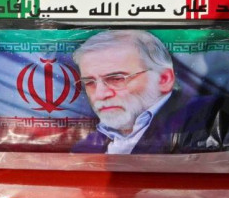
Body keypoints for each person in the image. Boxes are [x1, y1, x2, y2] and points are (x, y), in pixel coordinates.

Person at [71, 31, 220, 154]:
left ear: (164, 79)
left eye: (116, 79)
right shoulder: (84, 149)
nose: (100, 94)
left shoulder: (209, 117)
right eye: (89, 82)